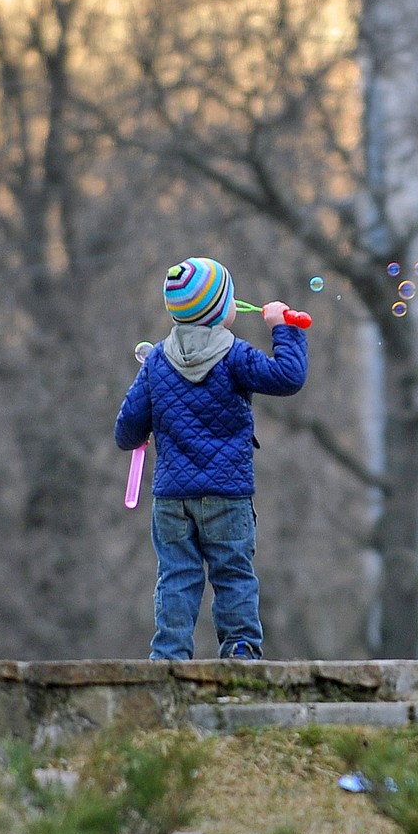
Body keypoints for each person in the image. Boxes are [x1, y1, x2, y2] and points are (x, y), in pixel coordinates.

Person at [115, 256, 308, 661]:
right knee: (233, 573)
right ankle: (239, 647)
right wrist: (283, 329)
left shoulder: (156, 361)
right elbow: (288, 377)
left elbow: (126, 431)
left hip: (172, 498)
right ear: (222, 310)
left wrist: (150, 428)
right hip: (228, 492)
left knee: (176, 576)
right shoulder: (235, 356)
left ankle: (169, 654)